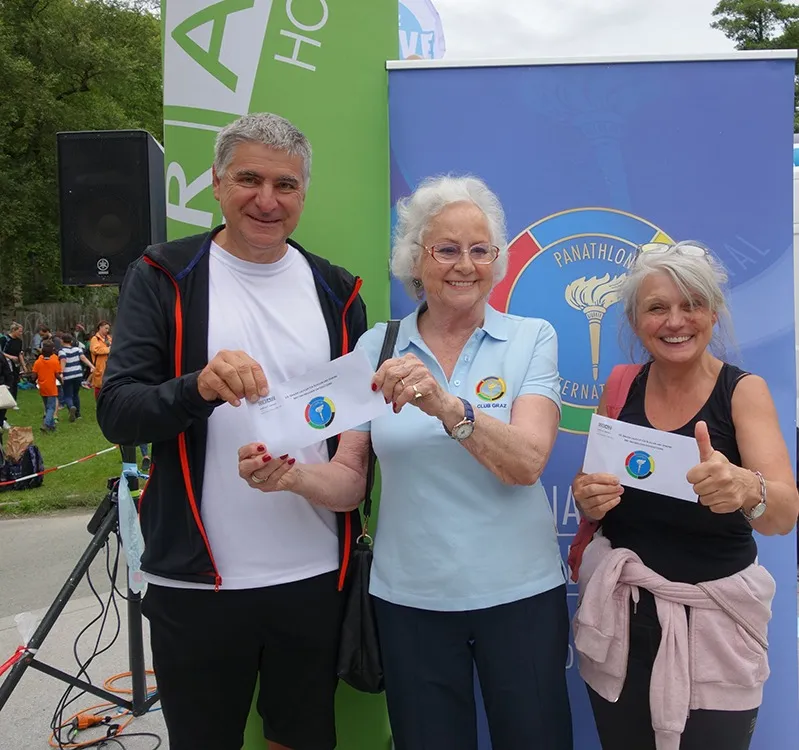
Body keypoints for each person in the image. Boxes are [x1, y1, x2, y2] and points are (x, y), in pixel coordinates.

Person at [238, 175, 574, 750]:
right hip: (410, 602)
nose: (464, 264)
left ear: (497, 259)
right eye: (446, 249)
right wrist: (288, 476)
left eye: (479, 249)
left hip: (519, 595)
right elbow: (349, 482)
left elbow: (527, 463)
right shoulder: (377, 347)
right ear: (416, 260)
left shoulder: (531, 337)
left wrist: (446, 405)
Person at [96, 112, 368, 750]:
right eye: (249, 179)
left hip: (313, 571)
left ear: (304, 193)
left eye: (286, 185)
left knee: (302, 738)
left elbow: (355, 428)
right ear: (216, 183)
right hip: (197, 580)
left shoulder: (338, 290)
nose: (267, 200)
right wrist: (199, 387)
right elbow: (119, 411)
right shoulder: (163, 275)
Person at [570, 241, 799, 750]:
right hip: (622, 623)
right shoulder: (621, 385)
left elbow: (781, 515)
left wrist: (745, 487)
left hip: (716, 629)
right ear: (635, 320)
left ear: (713, 314)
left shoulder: (743, 391)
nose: (676, 321)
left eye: (691, 304)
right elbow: (593, 492)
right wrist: (589, 498)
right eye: (657, 307)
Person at [58, 333, 94, 421]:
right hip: (78, 374)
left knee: (67, 395)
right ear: (71, 341)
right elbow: (83, 358)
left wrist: (61, 373)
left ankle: (71, 407)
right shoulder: (77, 349)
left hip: (68, 375)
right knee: (76, 394)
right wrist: (92, 366)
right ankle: (78, 414)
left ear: (62, 341)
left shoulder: (62, 351)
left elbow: (63, 360)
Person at [32, 340, 62, 432]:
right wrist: (61, 381)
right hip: (51, 387)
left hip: (42, 387)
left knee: (47, 406)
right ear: (52, 352)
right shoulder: (54, 361)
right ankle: (46, 423)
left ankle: (52, 427)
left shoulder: (38, 362)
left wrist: (34, 381)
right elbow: (57, 374)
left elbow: (34, 375)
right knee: (51, 408)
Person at [3, 322, 25, 406]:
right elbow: (1, 352)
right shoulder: (5, 339)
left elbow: (19, 354)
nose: (21, 333)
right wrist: (10, 357)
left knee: (15, 382)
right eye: (19, 331)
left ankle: (14, 402)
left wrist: (23, 366)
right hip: (5, 364)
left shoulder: (19, 341)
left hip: (15, 365)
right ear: (13, 330)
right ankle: (6, 401)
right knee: (8, 382)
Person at [89, 321, 111, 398]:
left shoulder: (109, 338)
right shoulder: (95, 339)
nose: (107, 330)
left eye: (108, 329)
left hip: (110, 365)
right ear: (100, 327)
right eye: (106, 328)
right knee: (99, 386)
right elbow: (95, 350)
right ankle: (99, 403)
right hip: (100, 366)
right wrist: (109, 349)